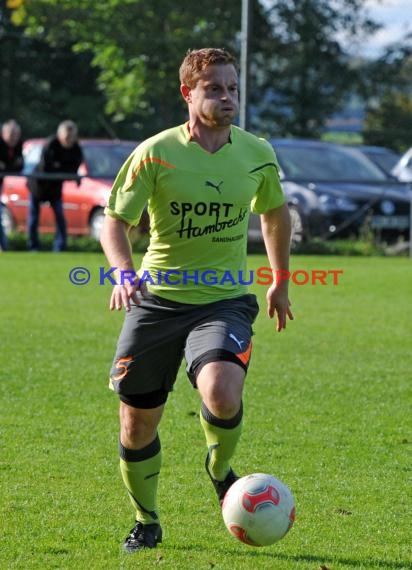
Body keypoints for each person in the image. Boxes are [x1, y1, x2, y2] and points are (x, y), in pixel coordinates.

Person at [100, 47, 294, 553]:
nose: (227, 97)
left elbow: (274, 214)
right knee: (137, 421)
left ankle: (220, 469)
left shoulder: (257, 152)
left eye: (233, 88)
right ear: (188, 93)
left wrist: (280, 278)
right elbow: (114, 221)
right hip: (157, 300)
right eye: (215, 88)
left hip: (224, 299)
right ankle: (147, 520)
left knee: (222, 391)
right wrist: (122, 273)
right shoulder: (156, 152)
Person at [27, 120, 83, 252]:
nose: (69, 140)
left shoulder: (76, 148)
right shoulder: (51, 144)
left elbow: (74, 168)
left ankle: (60, 247)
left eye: (71, 137)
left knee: (60, 217)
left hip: (55, 189)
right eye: (66, 137)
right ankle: (33, 247)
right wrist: (64, 170)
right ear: (60, 135)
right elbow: (46, 166)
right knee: (34, 218)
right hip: (38, 186)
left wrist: (63, 170)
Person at [0, 119, 24, 250]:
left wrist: (5, 167)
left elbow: (19, 166)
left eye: (16, 135)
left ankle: (3, 246)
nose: (14, 138)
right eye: (11, 134)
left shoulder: (18, 145)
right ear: (3, 133)